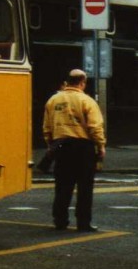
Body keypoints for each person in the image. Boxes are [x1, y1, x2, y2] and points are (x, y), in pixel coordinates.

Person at [43, 68, 106, 232]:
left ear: (68, 81)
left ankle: (60, 220)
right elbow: (95, 127)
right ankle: (83, 222)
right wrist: (101, 146)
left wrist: (51, 145)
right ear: (82, 82)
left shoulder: (53, 100)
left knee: (62, 186)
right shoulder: (87, 101)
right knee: (85, 187)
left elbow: (47, 127)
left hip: (61, 146)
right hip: (83, 147)